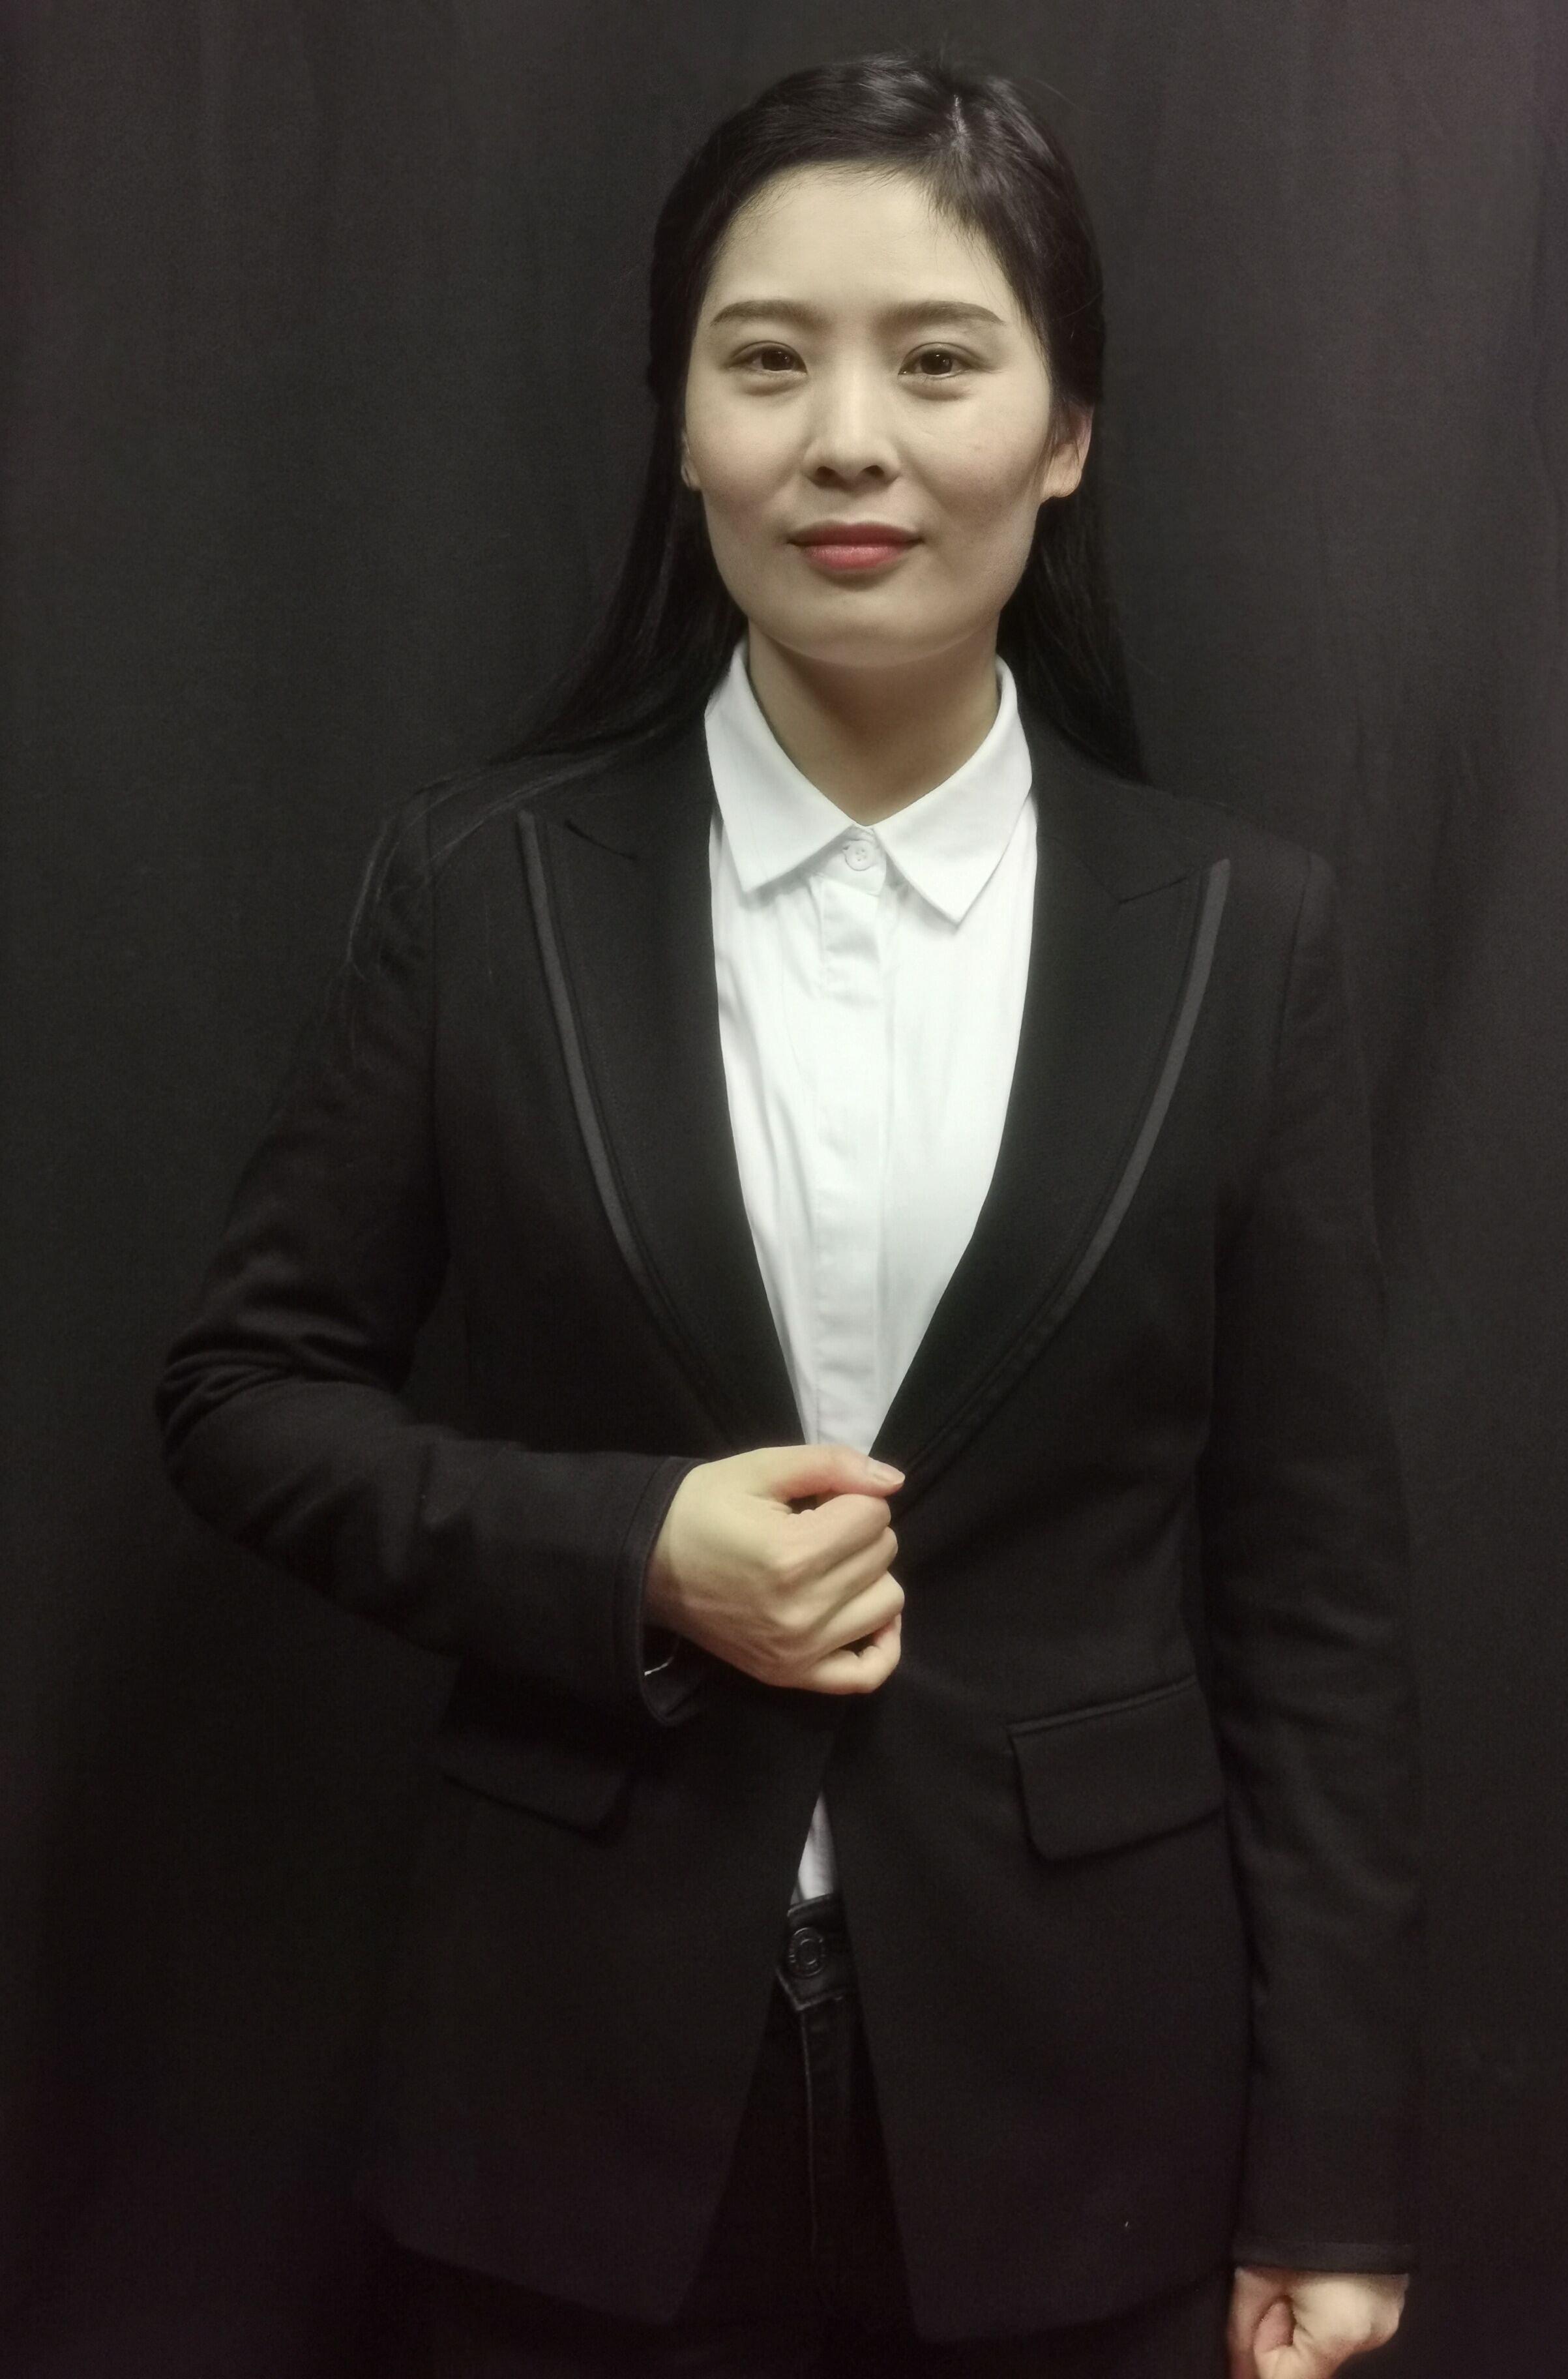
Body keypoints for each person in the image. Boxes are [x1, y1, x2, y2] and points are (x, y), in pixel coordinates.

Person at [156, 49, 1422, 2379]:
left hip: (1088, 2115)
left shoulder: (1246, 934)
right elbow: (245, 1393)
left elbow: (1313, 1599)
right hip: (566, 2093)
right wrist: (627, 1549)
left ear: (1065, 428)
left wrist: (1332, 2171)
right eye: (768, 362)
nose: (849, 441)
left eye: (938, 361)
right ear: (682, 424)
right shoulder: (486, 887)